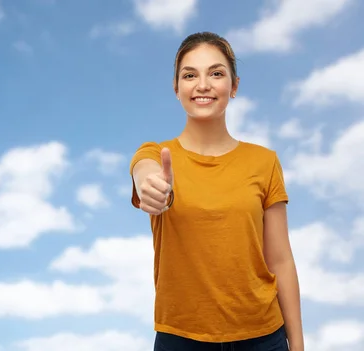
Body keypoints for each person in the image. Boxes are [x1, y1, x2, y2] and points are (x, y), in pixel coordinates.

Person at [129, 32, 304, 351]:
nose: (203, 84)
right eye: (190, 75)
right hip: (180, 338)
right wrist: (153, 189)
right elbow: (146, 174)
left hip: (264, 338)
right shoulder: (155, 154)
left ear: (234, 86)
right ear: (176, 87)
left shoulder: (264, 162)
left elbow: (280, 260)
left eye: (216, 73)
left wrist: (299, 345)